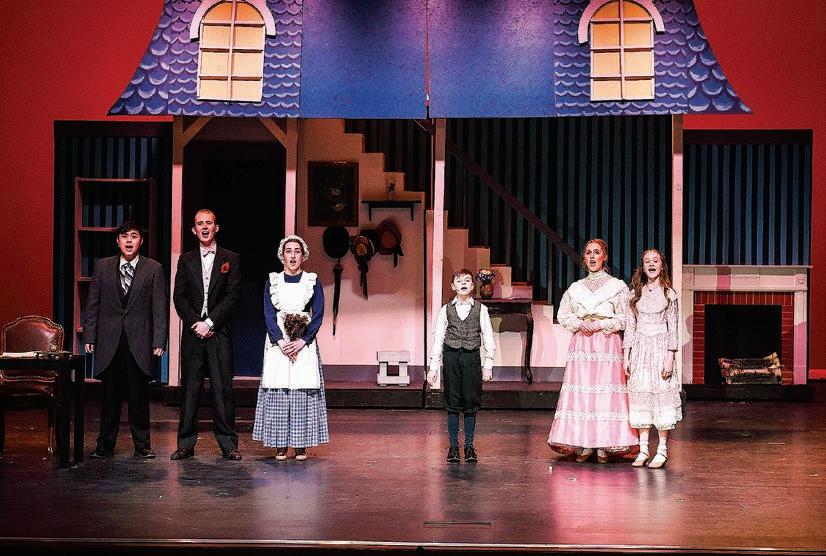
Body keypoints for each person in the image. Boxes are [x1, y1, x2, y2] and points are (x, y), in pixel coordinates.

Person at [547, 239, 638, 463]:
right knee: (583, 394)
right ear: (584, 258)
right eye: (588, 253)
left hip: (606, 342)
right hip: (583, 344)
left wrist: (601, 324)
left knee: (604, 394)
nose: (592, 256)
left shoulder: (617, 286)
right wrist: (580, 323)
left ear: (604, 256)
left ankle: (604, 445)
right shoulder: (576, 288)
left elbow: (626, 317)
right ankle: (586, 444)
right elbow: (563, 315)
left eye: (597, 252)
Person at [84, 221, 168, 459]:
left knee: (138, 397)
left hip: (139, 341)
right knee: (109, 397)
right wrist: (90, 335)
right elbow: (93, 304)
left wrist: (159, 340)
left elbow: (159, 308)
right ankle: (105, 445)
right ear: (117, 241)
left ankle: (142, 445)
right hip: (110, 340)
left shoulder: (153, 268)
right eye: (124, 236)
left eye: (134, 236)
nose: (129, 240)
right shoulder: (103, 267)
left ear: (141, 241)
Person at [171, 209, 242, 461]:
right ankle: (185, 444)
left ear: (216, 228)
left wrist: (210, 322)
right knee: (190, 389)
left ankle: (228, 443)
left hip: (219, 332)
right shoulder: (185, 259)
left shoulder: (230, 258)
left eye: (208, 223)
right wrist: (196, 323)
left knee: (222, 389)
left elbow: (232, 296)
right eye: (199, 223)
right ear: (194, 230)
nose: (204, 227)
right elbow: (179, 297)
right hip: (194, 333)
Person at [253, 235, 329, 461]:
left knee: (302, 389)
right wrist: (280, 341)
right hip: (279, 343)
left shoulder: (312, 281)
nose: (293, 256)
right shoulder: (273, 281)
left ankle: (300, 445)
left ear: (303, 256)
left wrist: (303, 340)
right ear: (282, 256)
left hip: (303, 342)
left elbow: (318, 313)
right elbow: (268, 313)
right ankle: (280, 445)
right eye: (289, 251)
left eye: (297, 251)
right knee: (279, 389)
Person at [428, 269, 495, 463]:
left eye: (467, 280)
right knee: (452, 402)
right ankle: (454, 448)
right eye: (459, 281)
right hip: (451, 357)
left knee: (471, 402)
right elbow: (439, 338)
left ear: (472, 286)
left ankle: (469, 446)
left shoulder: (481, 309)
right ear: (453, 286)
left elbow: (488, 336)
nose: (463, 283)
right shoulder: (446, 309)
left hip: (471, 358)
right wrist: (433, 367)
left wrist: (488, 364)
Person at [623, 249, 681, 469]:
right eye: (647, 261)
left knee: (661, 397)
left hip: (660, 349)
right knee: (641, 395)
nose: (651, 264)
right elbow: (630, 327)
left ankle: (662, 449)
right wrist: (626, 356)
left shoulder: (669, 295)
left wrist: (670, 358)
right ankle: (644, 449)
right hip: (640, 349)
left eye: (655, 260)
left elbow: (673, 329)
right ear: (642, 266)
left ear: (662, 265)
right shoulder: (634, 294)